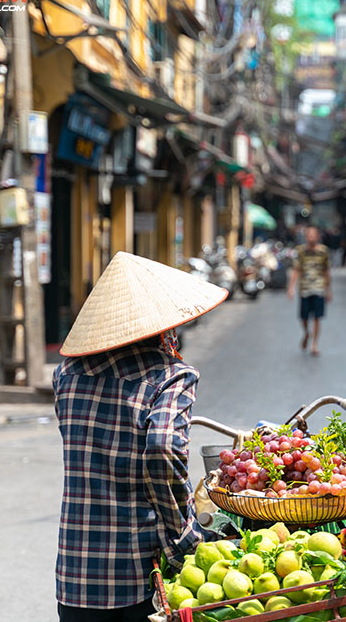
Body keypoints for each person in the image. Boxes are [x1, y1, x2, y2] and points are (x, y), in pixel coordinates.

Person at [52, 252, 228, 622]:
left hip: (75, 574)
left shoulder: (66, 375)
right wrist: (184, 533)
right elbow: (164, 448)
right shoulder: (171, 376)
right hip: (136, 575)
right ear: (163, 327)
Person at [288, 225, 332, 356]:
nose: (311, 237)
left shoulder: (324, 251)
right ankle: (307, 333)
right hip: (304, 289)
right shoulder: (300, 251)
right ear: (306, 237)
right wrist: (291, 288)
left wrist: (328, 290)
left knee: (318, 317)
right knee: (304, 318)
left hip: (319, 288)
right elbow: (296, 270)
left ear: (318, 237)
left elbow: (326, 271)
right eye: (309, 235)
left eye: (314, 235)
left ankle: (314, 344)